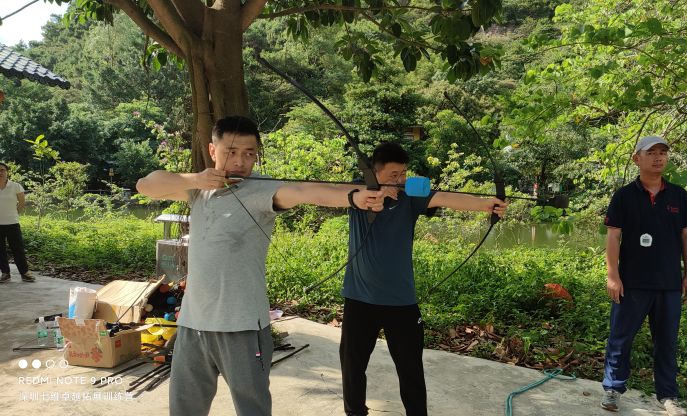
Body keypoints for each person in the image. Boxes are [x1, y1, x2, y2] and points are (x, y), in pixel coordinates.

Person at [135, 115, 384, 416]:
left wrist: (355, 197)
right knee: (184, 409)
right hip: (193, 324)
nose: (240, 161)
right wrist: (196, 179)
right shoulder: (198, 189)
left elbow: (304, 191)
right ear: (213, 151)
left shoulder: (263, 189)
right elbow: (145, 185)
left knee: (252, 409)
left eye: (249, 153)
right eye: (231, 151)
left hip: (242, 327)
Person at [340, 142, 507, 416]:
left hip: (401, 302)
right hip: (359, 299)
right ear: (374, 173)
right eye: (393, 175)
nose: (400, 180)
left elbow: (445, 198)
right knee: (352, 365)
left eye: (403, 173)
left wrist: (485, 204)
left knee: (411, 369)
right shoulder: (358, 191)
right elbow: (340, 193)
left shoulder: (410, 196)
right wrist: (372, 193)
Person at [600, 135, 687, 416]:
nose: (658, 157)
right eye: (651, 152)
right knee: (620, 339)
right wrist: (613, 275)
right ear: (636, 159)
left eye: (663, 152)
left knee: (666, 342)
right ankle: (613, 389)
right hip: (631, 283)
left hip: (668, 284)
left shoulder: (679, 196)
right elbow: (613, 236)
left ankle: (667, 396)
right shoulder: (624, 196)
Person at [0, 162, 33, 283]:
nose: (0, 173)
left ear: (7, 172)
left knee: (18, 248)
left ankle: (25, 273)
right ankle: (5, 273)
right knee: (0, 250)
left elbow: (22, 203)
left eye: (2, 170)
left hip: (12, 223)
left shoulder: (15, 186)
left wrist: (14, 213)